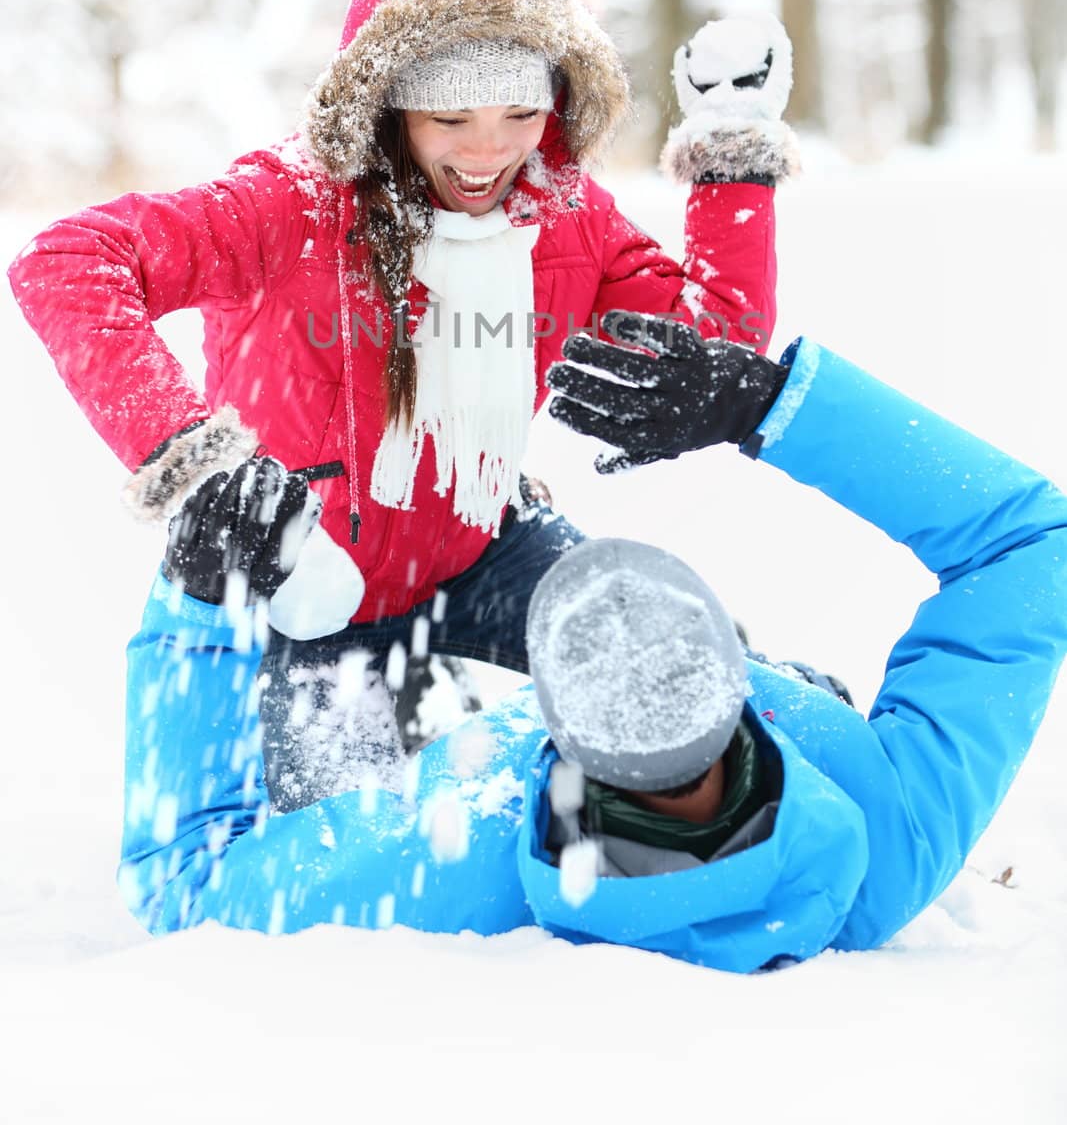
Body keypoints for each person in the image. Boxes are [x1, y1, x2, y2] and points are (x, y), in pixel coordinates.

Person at [8, 0, 798, 810]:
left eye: (519, 113)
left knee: (671, 674)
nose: (489, 150)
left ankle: (804, 738)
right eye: (450, 119)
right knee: (360, 849)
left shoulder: (561, 216)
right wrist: (193, 464)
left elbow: (708, 346)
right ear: (388, 110)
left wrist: (731, 164)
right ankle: (401, 708)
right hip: (304, 588)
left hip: (477, 547)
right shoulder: (289, 206)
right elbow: (67, 262)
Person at [118, 314, 1067, 972]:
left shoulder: (455, 861)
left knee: (324, 678)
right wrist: (772, 403)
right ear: (742, 687)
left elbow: (185, 890)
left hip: (401, 746)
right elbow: (1033, 545)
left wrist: (201, 603)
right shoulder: (889, 827)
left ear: (554, 727)